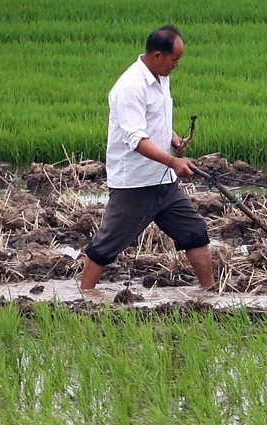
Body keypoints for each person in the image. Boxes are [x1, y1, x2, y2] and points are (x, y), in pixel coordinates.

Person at [81, 24, 214, 291]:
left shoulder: (161, 76)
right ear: (157, 56)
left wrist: (173, 138)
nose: (176, 65)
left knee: (195, 233)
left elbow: (154, 119)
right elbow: (136, 140)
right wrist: (174, 162)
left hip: (164, 183)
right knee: (106, 247)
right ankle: (83, 297)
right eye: (174, 59)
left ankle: (211, 294)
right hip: (135, 185)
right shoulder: (130, 87)